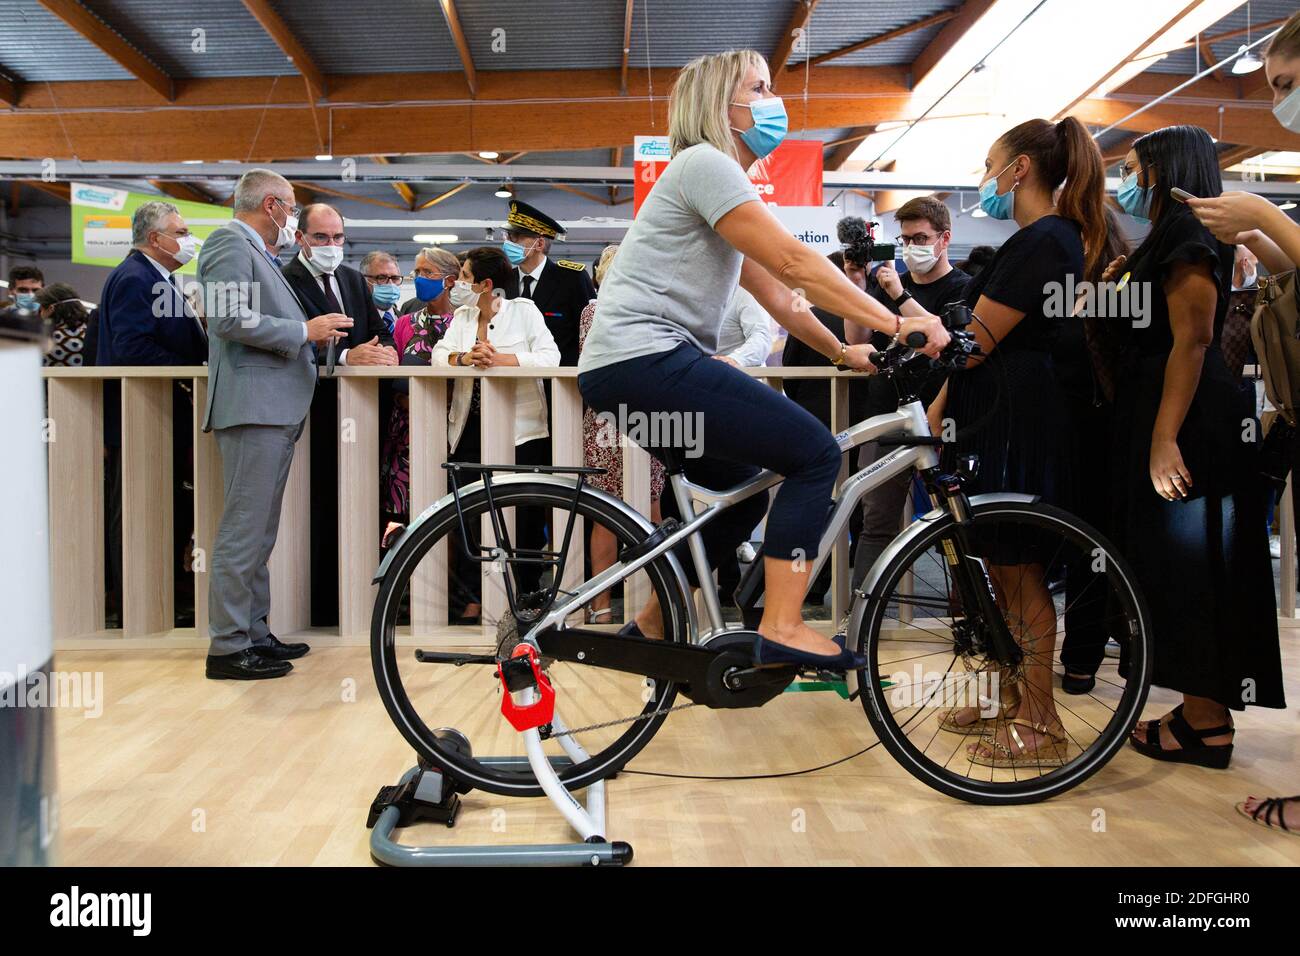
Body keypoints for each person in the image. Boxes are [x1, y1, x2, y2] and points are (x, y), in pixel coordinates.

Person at [577, 49, 948, 669]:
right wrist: (900, 321)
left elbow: (776, 290)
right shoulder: (707, 165)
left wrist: (842, 350)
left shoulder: (711, 179)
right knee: (815, 454)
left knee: (743, 491)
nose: (776, 102)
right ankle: (782, 624)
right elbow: (796, 262)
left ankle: (650, 627)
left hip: (629, 368)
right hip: (645, 360)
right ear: (725, 106)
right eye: (762, 87)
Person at [926, 116, 1108, 766]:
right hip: (997, 421)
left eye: (991, 163)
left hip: (1018, 428)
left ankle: (1042, 724)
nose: (988, 179)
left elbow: (975, 343)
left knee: (1021, 576)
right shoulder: (1039, 240)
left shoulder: (1046, 241)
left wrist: (922, 338)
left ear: (1020, 169)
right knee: (1002, 576)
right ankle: (1012, 698)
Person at [1105, 124, 1285, 770]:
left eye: (1132, 169)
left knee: (1194, 569)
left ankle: (1208, 723)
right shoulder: (1168, 238)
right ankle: (1198, 710)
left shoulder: (1188, 233)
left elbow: (1196, 336)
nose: (1124, 183)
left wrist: (1162, 438)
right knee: (1176, 568)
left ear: (1162, 169)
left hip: (1190, 422)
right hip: (1175, 414)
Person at [198, 169, 352, 680]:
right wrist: (302, 331)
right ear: (271, 205)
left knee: (260, 531)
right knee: (244, 531)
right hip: (252, 406)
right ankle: (226, 646)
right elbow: (224, 318)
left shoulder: (258, 251)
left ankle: (254, 633)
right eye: (290, 206)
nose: (292, 216)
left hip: (272, 406)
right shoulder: (228, 242)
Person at [97, 200, 209, 630]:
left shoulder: (160, 277)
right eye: (179, 233)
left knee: (162, 511)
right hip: (143, 413)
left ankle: (156, 601)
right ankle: (135, 606)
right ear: (154, 238)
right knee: (135, 514)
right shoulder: (134, 278)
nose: (186, 240)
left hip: (164, 416)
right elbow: (132, 348)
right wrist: (190, 371)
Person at [431, 247, 561, 618]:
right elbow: (439, 354)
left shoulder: (525, 311)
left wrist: (501, 360)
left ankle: (528, 592)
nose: (458, 285)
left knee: (525, 515)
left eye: (466, 277)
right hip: (468, 429)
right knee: (470, 514)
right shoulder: (462, 315)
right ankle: (479, 595)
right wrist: (464, 358)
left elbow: (550, 357)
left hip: (521, 431)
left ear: (487, 284)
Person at [849, 197, 970, 591]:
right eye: (905, 239)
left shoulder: (962, 287)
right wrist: (857, 289)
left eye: (921, 237)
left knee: (955, 521)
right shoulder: (886, 285)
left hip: (942, 416)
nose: (911, 247)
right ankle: (862, 620)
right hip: (886, 415)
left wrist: (900, 295)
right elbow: (857, 338)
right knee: (876, 521)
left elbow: (942, 336)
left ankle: (968, 614)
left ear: (944, 238)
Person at [1056, 204, 1129, 695]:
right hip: (1085, 431)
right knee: (1088, 550)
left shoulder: (1116, 283)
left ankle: (1082, 658)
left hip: (1095, 434)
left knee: (1089, 550)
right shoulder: (1107, 281)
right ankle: (1081, 658)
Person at [579, 244, 667, 623]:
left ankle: (648, 602)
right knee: (617, 513)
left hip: (638, 418)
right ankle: (611, 604)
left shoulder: (645, 310)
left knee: (646, 510)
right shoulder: (595, 310)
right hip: (615, 420)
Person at [281, 204, 396, 368]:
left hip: (361, 387)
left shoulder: (354, 279)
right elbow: (284, 343)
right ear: (299, 237)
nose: (331, 245)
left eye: (338, 237)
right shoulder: (284, 280)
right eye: (321, 237)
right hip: (315, 388)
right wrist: (344, 357)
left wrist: (385, 351)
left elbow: (380, 331)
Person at [503, 199, 596, 365]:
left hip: (558, 379)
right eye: (507, 237)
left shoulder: (572, 279)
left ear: (539, 243)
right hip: (513, 378)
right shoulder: (504, 280)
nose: (508, 243)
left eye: (515, 238)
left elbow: (589, 334)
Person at [37, 283, 95, 367]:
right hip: (91, 379)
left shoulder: (44, 337)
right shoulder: (93, 331)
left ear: (50, 309)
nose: (40, 313)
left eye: (41, 309)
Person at [714, 286, 774, 367]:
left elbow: (762, 337)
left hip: (739, 372)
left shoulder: (745, 293)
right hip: (701, 371)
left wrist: (735, 359)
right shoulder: (695, 293)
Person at [360, 250, 405, 339]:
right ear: (363, 280)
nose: (390, 284)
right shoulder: (352, 321)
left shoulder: (406, 322)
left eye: (395, 278)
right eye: (381, 278)